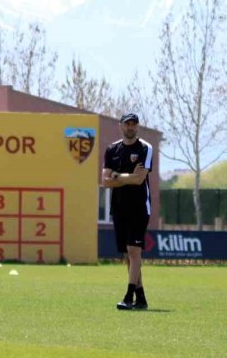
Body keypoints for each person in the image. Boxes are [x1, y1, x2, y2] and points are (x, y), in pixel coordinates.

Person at [102, 112, 153, 310]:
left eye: (134, 124)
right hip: (119, 207)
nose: (130, 127)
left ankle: (128, 295)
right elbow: (105, 181)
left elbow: (139, 179)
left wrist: (117, 176)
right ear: (121, 126)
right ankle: (141, 298)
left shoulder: (145, 148)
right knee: (127, 255)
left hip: (139, 206)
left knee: (134, 251)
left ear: (137, 126)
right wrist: (126, 177)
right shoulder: (112, 149)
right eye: (127, 124)